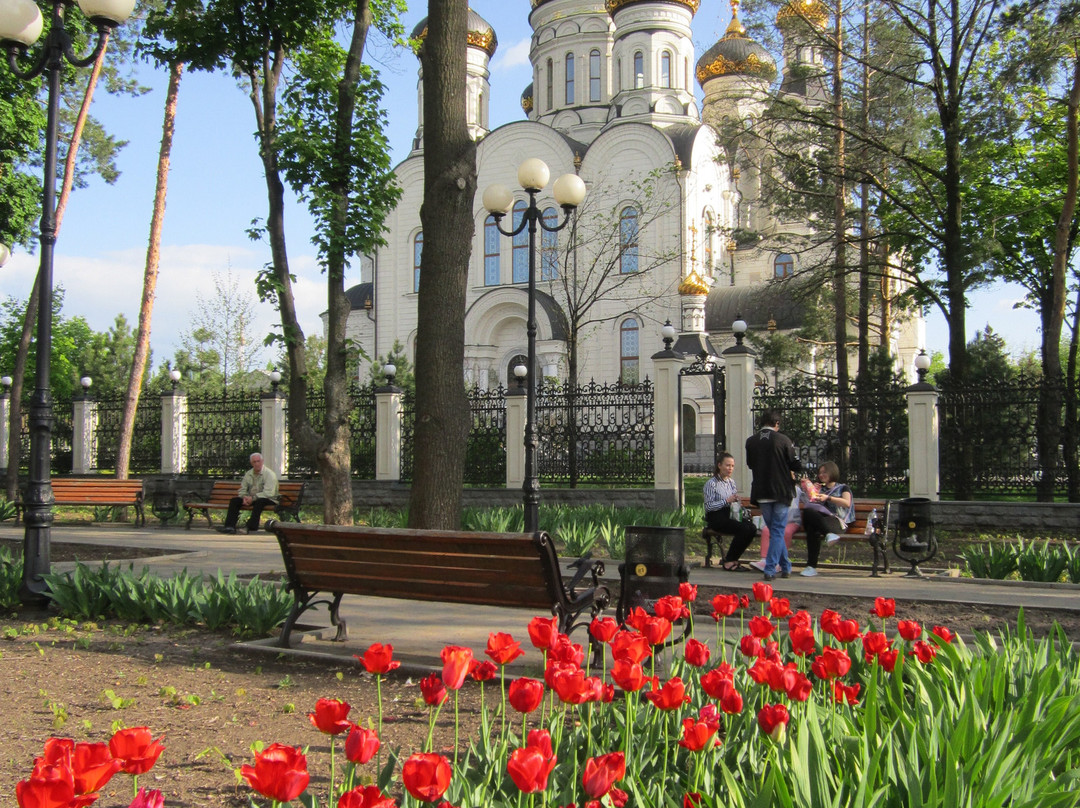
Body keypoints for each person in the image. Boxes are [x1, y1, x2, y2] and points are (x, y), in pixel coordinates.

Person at [744, 409, 803, 581]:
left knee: (775, 531)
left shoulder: (751, 441)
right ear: (776, 424)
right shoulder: (783, 439)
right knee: (777, 531)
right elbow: (795, 464)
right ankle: (770, 569)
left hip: (761, 492)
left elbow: (750, 464)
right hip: (781, 491)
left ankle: (786, 566)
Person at [703, 453, 758, 571]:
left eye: (732, 466)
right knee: (743, 529)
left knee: (751, 528)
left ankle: (732, 558)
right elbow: (708, 506)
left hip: (729, 514)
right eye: (727, 465)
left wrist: (737, 503)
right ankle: (729, 561)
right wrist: (726, 501)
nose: (730, 469)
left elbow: (733, 502)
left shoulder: (731, 482)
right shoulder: (711, 484)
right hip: (717, 517)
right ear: (719, 465)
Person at [799, 461, 853, 577]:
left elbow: (847, 503)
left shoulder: (843, 487)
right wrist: (808, 490)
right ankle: (828, 534)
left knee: (813, 528)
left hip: (837, 522)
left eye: (824, 472)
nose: (821, 475)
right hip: (821, 521)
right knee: (809, 516)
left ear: (832, 472)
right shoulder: (819, 488)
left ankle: (811, 566)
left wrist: (828, 498)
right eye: (820, 473)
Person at [217, 452, 279, 535]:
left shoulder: (269, 474)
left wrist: (252, 498)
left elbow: (268, 493)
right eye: (254, 462)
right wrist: (244, 497)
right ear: (251, 463)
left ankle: (251, 527)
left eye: (258, 461)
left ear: (262, 461)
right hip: (252, 498)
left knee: (260, 502)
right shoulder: (248, 474)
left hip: (269, 498)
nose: (257, 464)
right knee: (235, 501)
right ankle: (229, 527)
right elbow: (243, 488)